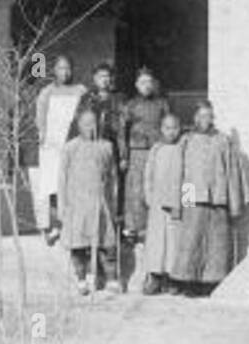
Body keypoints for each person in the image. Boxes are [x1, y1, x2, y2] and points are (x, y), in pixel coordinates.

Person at [171, 101, 249, 295]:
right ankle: (188, 282)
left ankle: (211, 283)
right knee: (191, 240)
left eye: (210, 116)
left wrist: (234, 204)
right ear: (195, 118)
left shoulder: (223, 141)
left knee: (217, 243)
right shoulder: (186, 140)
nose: (206, 120)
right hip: (193, 195)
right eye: (202, 116)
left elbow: (232, 171)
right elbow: (180, 172)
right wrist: (181, 204)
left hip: (217, 197)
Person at [58, 109, 120, 295]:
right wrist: (63, 206)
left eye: (93, 123)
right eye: (86, 124)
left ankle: (111, 279)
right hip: (77, 204)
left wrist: (113, 203)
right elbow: (62, 178)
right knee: (78, 245)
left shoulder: (106, 147)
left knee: (106, 242)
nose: (90, 128)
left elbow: (113, 178)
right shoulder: (70, 147)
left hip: (100, 203)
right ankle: (81, 280)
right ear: (78, 126)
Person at [33, 54, 86, 244]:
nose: (65, 72)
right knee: (54, 186)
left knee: (74, 185)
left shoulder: (80, 91)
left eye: (68, 68)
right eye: (61, 68)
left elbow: (85, 115)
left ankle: (74, 226)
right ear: (54, 70)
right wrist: (45, 137)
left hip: (75, 143)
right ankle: (56, 226)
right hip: (53, 145)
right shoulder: (47, 92)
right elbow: (40, 118)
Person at [120, 67, 170, 243]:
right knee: (136, 189)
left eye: (149, 82)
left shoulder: (162, 103)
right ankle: (133, 228)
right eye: (143, 82)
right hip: (137, 151)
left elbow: (169, 126)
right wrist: (124, 156)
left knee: (156, 188)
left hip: (157, 150)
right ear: (136, 85)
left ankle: (154, 227)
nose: (146, 86)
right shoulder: (130, 105)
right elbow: (122, 131)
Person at [141, 111, 186, 295]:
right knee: (157, 241)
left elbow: (189, 178)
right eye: (167, 128)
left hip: (177, 203)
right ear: (161, 129)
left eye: (174, 128)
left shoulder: (183, 149)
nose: (171, 132)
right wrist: (149, 197)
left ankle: (172, 278)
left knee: (174, 242)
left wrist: (187, 205)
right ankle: (154, 276)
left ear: (180, 129)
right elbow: (148, 176)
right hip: (158, 204)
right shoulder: (156, 149)